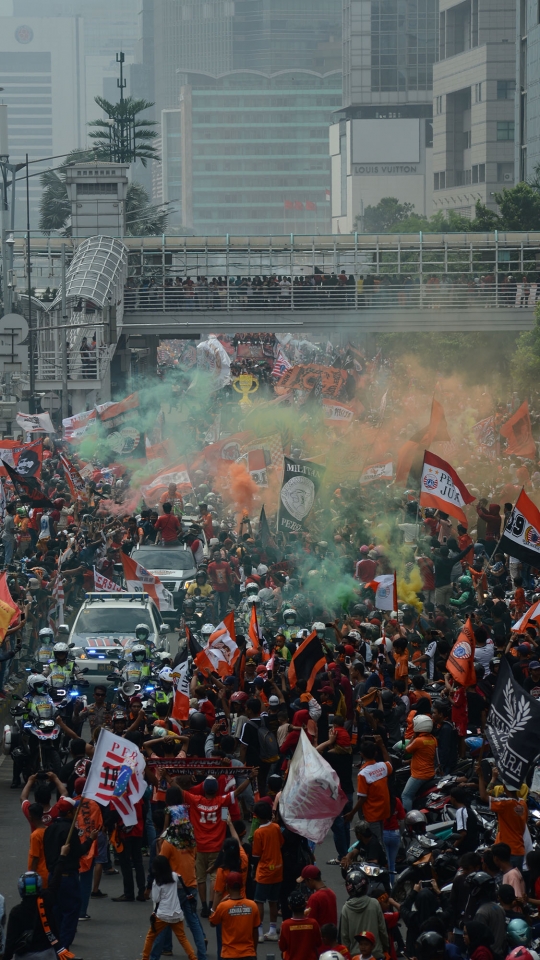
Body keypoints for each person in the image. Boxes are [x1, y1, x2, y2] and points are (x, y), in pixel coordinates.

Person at [42, 797, 97, 950]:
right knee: (71, 911)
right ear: (69, 813)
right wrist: (90, 840)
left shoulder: (49, 829)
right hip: (67, 877)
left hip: (53, 875)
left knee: (57, 911)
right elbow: (77, 852)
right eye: (74, 810)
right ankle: (63, 948)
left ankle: (56, 944)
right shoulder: (69, 831)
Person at [141, 856, 198, 960]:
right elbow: (181, 882)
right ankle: (193, 957)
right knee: (182, 938)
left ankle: (145, 958)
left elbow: (156, 898)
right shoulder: (174, 876)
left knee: (150, 937)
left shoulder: (157, 882)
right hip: (176, 913)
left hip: (162, 915)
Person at [345, 736, 392, 844]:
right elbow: (389, 763)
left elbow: (362, 798)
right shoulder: (383, 766)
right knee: (381, 838)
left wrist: (352, 813)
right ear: (375, 753)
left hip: (372, 813)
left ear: (361, 755)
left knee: (376, 842)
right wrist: (382, 746)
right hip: (384, 811)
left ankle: (380, 860)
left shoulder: (363, 774)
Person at [252, 800, 284, 942]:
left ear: (257, 816)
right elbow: (281, 843)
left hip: (264, 871)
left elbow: (256, 854)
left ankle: (259, 932)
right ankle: (272, 930)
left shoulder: (259, 832)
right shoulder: (276, 827)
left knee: (259, 901)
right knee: (273, 901)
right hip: (278, 869)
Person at [209, 871, 260, 960]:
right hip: (248, 953)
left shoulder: (223, 906)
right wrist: (254, 951)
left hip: (229, 954)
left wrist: (220, 903)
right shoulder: (253, 905)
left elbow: (212, 922)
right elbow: (255, 931)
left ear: (227, 887)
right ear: (242, 886)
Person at [340, 868, 389, 958]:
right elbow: (382, 930)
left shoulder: (346, 909)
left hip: (355, 956)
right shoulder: (374, 904)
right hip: (375, 954)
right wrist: (386, 947)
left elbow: (344, 937)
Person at [402, 714, 437, 811]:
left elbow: (406, 750)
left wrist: (414, 736)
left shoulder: (418, 740)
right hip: (430, 773)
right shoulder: (433, 739)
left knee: (406, 795)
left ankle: (408, 818)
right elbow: (423, 755)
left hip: (419, 775)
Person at [278, 890, 321, 960]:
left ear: (289, 907)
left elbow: (282, 947)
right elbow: (318, 943)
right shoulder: (313, 923)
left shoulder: (285, 925)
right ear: (305, 904)